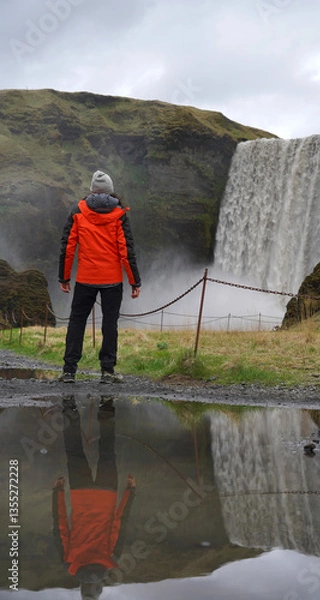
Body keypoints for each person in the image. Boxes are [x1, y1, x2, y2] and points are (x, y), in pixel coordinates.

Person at [59, 170, 141, 384]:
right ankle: (107, 372)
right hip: (112, 280)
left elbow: (68, 247)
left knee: (77, 322)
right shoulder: (119, 215)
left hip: (85, 278)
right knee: (109, 324)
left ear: (92, 190)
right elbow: (126, 250)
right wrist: (134, 281)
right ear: (110, 191)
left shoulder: (78, 211)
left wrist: (64, 277)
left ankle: (69, 371)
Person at [53, 396, 136, 599]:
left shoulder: (111, 558)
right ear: (81, 587)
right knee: (74, 452)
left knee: (107, 451)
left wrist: (130, 492)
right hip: (80, 493)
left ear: (99, 586)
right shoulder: (69, 561)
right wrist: (57, 493)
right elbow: (60, 525)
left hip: (106, 493)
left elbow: (120, 522)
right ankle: (70, 408)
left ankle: (106, 405)